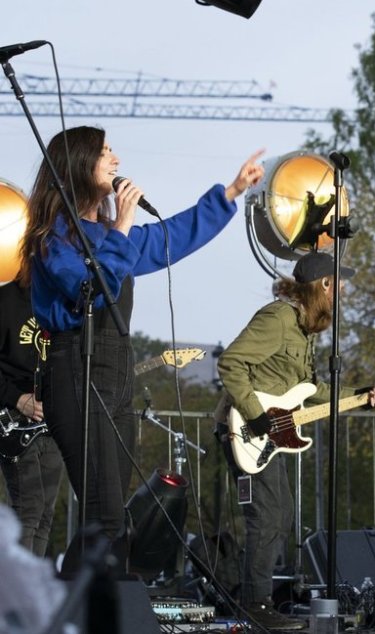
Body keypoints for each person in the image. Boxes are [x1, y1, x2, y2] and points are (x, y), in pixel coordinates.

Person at [18, 125, 264, 574]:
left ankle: (73, 606)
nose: (116, 159)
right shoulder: (53, 239)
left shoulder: (114, 236)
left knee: (113, 522)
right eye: (105, 152)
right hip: (74, 369)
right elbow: (87, 288)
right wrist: (123, 228)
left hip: (116, 375)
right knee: (106, 516)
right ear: (78, 164)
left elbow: (172, 237)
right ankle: (82, 611)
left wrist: (230, 191)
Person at [216, 251, 354, 631]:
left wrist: (362, 394)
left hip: (265, 435)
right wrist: (257, 416)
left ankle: (263, 602)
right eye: (339, 283)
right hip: (243, 430)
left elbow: (307, 389)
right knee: (265, 515)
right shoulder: (278, 318)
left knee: (281, 515)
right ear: (324, 285)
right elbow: (230, 362)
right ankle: (254, 605)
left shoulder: (304, 328)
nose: (343, 290)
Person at [0, 279, 63, 557]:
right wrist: (17, 399)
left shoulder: (64, 302)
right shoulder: (6, 300)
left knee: (46, 514)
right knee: (29, 508)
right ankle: (16, 593)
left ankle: (31, 592)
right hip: (12, 418)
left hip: (53, 422)